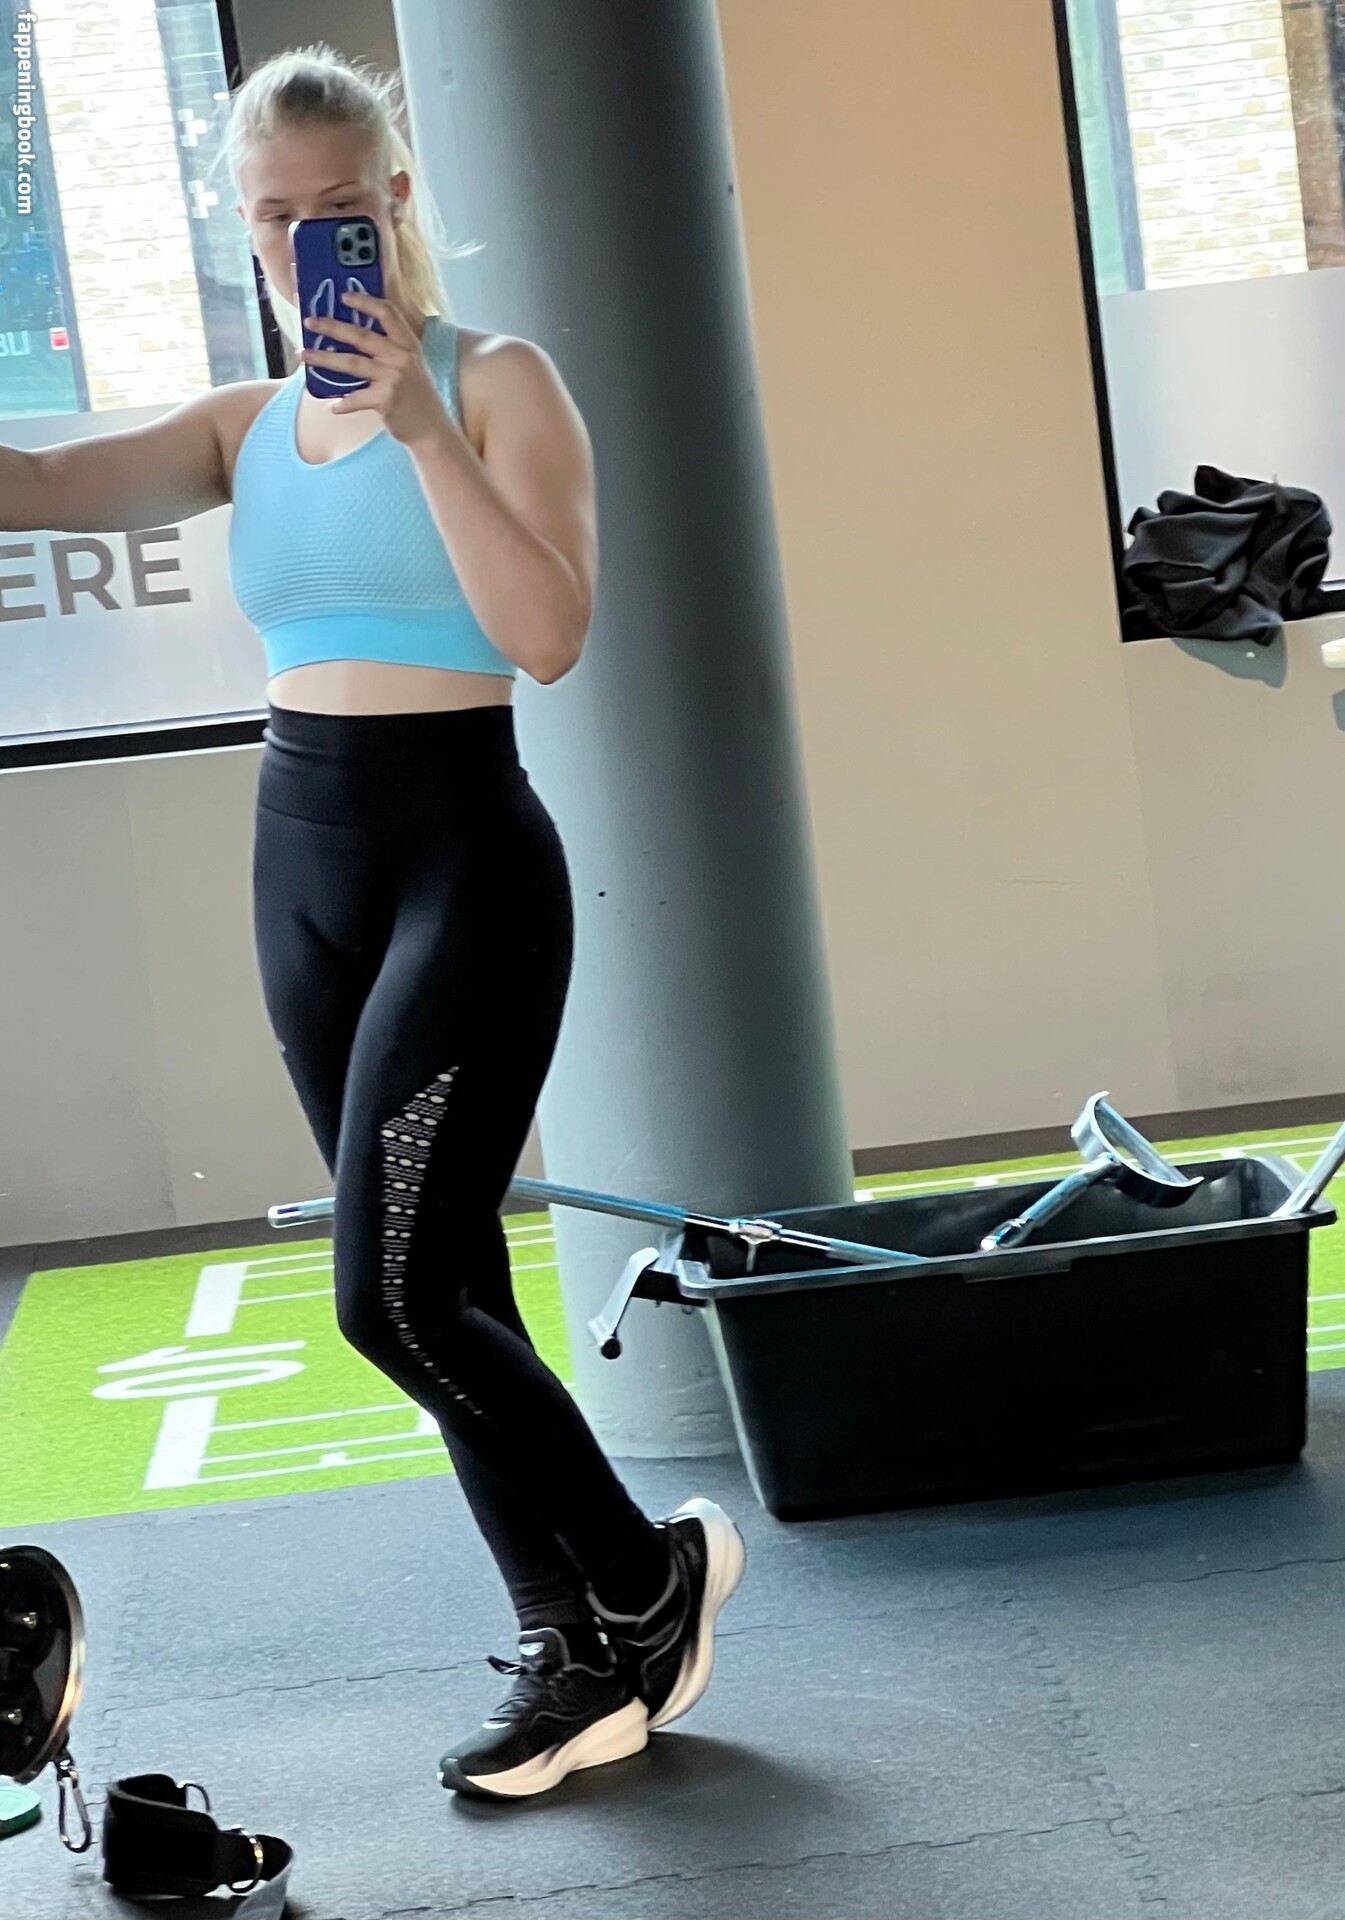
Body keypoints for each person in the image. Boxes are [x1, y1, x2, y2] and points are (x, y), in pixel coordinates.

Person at [0, 44, 743, 1801]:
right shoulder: (240, 428)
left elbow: (546, 634)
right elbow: (31, 489)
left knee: (388, 1296)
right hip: (301, 865)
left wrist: (418, 423)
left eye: (338, 209)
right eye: (275, 218)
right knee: (451, 1281)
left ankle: (642, 1577)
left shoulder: (503, 383)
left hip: (461, 863)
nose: (305, 244)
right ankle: (573, 1642)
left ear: (396, 202)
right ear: (244, 228)